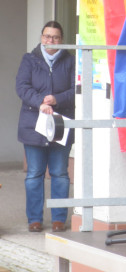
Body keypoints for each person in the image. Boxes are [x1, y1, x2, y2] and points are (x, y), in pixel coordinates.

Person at [15, 21, 75, 233]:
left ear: (61, 40)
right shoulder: (29, 59)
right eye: (47, 36)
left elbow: (76, 89)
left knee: (59, 173)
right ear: (42, 37)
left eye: (55, 37)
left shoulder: (70, 61)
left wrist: (56, 99)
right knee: (34, 174)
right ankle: (34, 219)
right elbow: (21, 87)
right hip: (33, 125)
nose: (51, 41)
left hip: (61, 124)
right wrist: (41, 101)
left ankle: (59, 218)